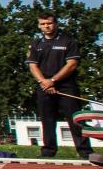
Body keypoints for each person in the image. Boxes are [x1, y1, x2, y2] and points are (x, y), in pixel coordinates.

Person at [27, 13, 91, 159]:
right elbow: (33, 66)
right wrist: (44, 82)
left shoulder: (68, 41)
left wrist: (53, 81)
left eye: (49, 23)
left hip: (66, 85)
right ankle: (48, 151)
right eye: (43, 24)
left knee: (75, 119)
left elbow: (72, 64)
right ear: (39, 26)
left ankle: (84, 151)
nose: (46, 26)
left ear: (55, 24)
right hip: (44, 87)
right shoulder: (36, 44)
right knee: (47, 120)